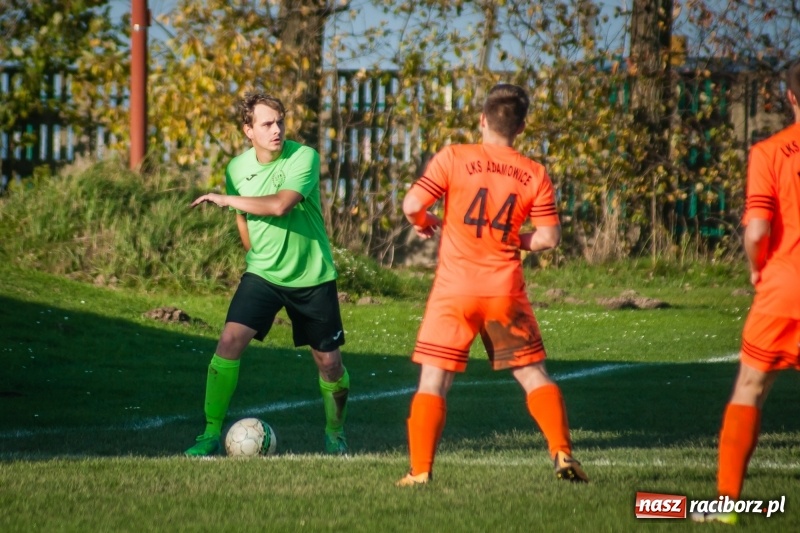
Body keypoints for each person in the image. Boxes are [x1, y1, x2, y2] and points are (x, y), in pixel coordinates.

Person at [396, 83, 588, 486]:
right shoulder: (534, 173)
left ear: (482, 120)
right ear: (520, 128)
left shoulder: (454, 157)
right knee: (533, 375)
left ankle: (420, 471)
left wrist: (425, 222)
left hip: (454, 292)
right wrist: (511, 240)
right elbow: (549, 238)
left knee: (433, 382)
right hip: (504, 291)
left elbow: (413, 205)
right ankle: (562, 451)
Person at [185, 93, 350, 457]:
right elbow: (243, 219)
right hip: (263, 274)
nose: (276, 130)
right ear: (248, 130)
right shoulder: (235, 168)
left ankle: (335, 433)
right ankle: (210, 433)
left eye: (279, 122)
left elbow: (279, 205)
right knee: (228, 343)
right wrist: (254, 256)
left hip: (312, 276)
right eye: (266, 124)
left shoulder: (303, 157)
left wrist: (226, 200)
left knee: (330, 363)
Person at [691, 60, 800, 524]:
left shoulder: (770, 151)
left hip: (784, 286)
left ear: (791, 97)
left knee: (750, 388)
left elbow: (756, 229)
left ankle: (729, 503)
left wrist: (757, 270)